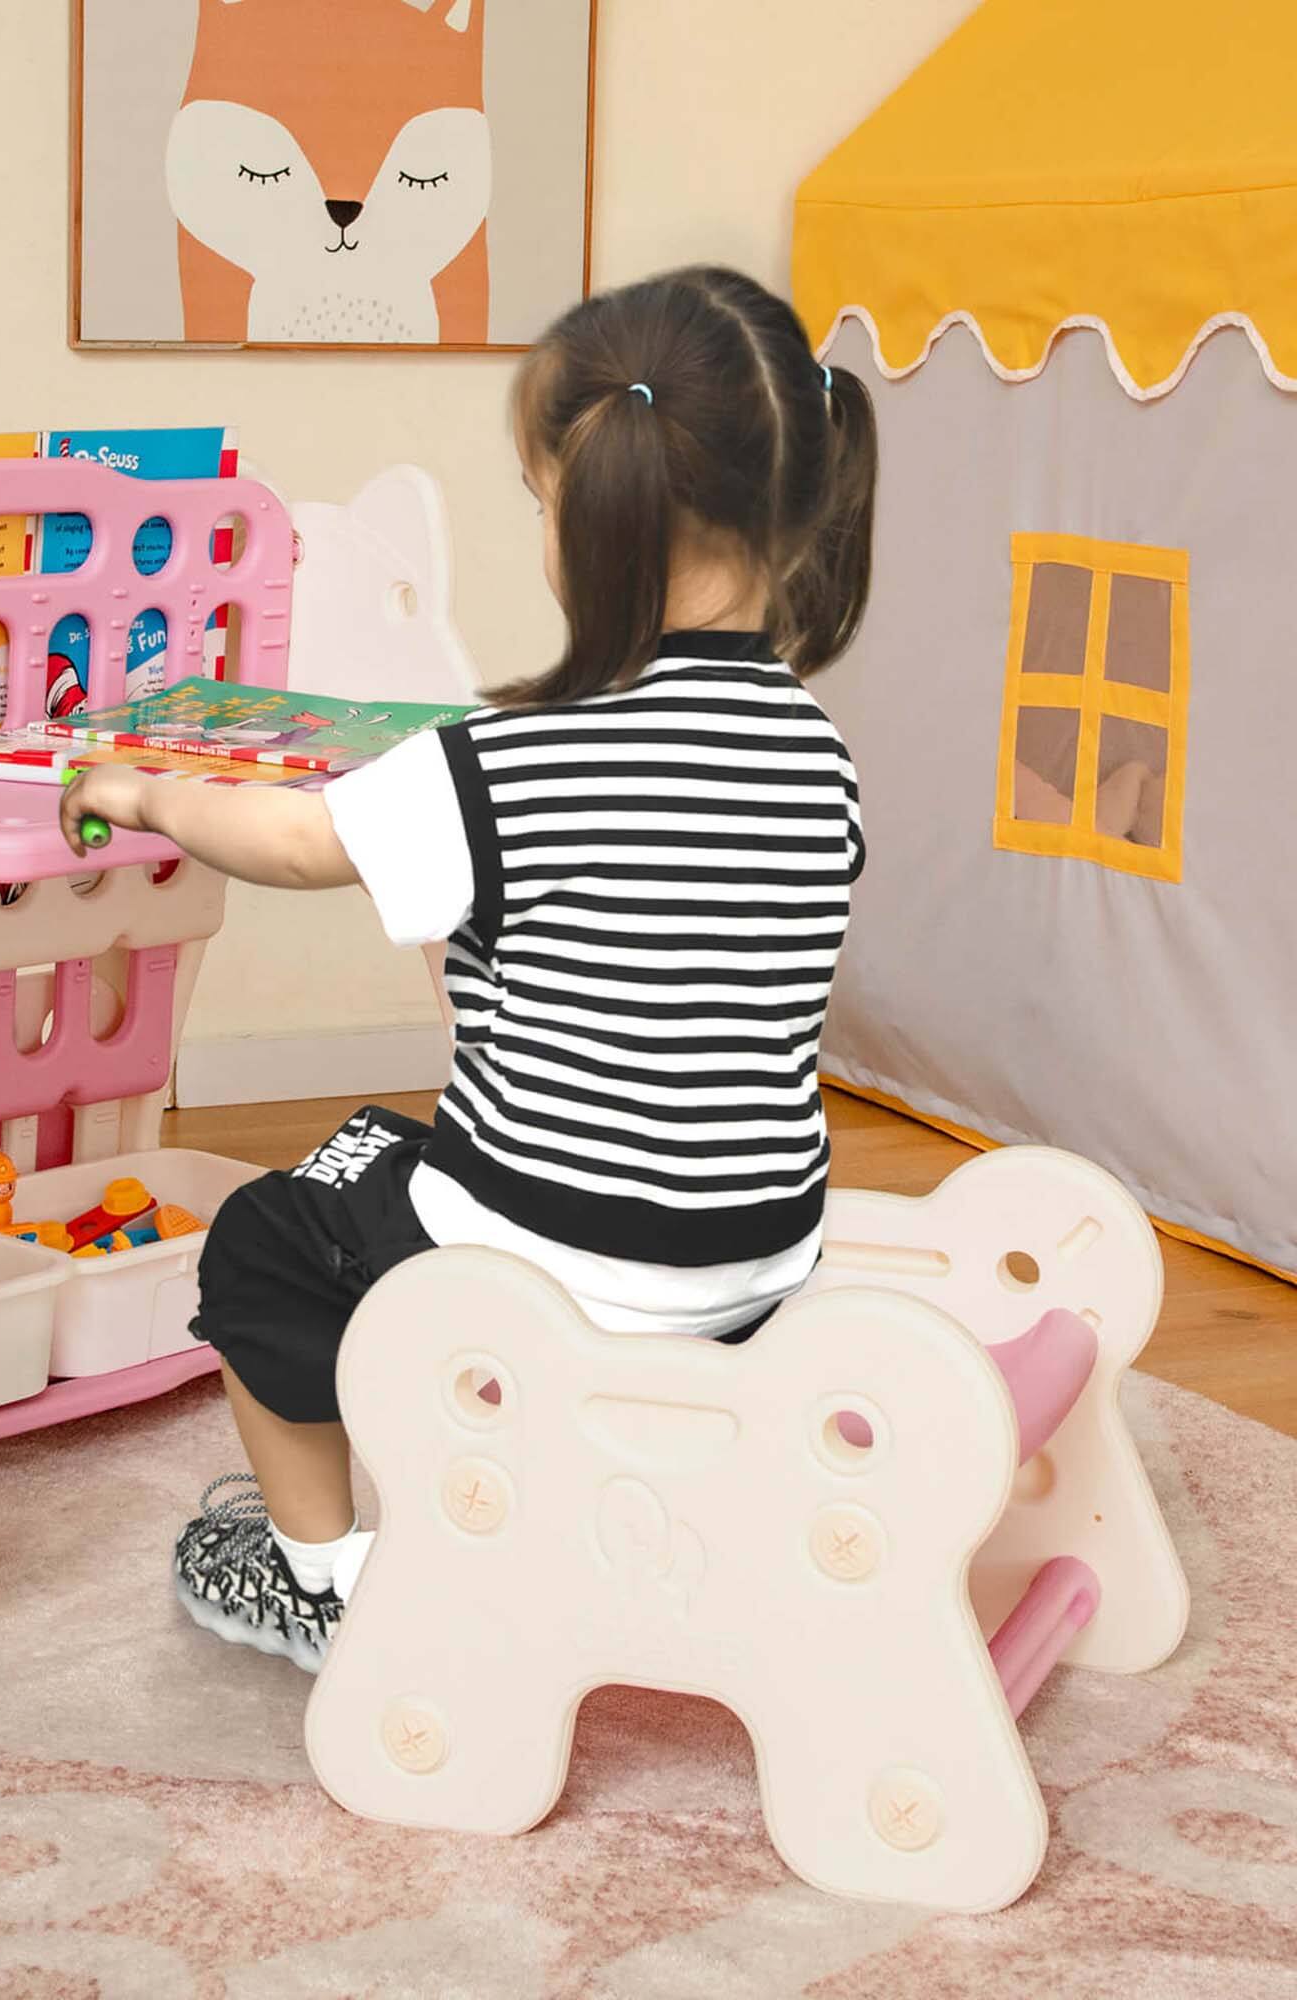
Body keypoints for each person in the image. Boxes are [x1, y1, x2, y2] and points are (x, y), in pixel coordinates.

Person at [60, 267, 878, 1672]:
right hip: (756, 1257)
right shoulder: (819, 754)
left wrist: (144, 793)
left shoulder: (516, 759)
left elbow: (294, 841)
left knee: (266, 1241)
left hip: (552, 1256)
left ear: (596, 513)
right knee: (381, 1149)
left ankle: (320, 1581)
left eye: (540, 499)